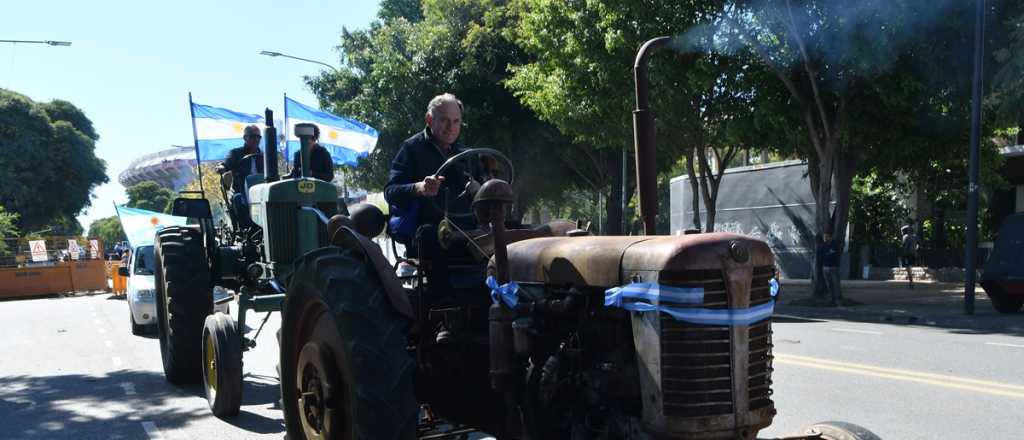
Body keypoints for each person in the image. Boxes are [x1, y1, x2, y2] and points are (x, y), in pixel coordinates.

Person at [384, 93, 483, 253]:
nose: (451, 127)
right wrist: (420, 188)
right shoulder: (411, 149)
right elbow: (390, 192)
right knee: (431, 237)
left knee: (508, 234)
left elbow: (486, 197)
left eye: (456, 121)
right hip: (429, 231)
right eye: (444, 120)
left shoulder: (468, 155)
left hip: (469, 228)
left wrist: (480, 190)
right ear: (429, 120)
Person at [216, 125, 264, 194]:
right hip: (241, 192)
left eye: (258, 137)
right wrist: (222, 167)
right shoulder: (236, 153)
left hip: (260, 192)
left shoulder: (264, 157)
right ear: (245, 138)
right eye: (252, 136)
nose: (256, 139)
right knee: (238, 199)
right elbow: (226, 164)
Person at [818, 230, 842, 306]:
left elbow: (835, 254)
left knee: (836, 283)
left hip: (834, 267)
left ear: (830, 237)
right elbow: (821, 256)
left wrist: (827, 255)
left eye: (826, 236)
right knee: (829, 284)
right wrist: (829, 254)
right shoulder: (823, 245)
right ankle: (831, 298)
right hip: (825, 268)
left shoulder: (834, 244)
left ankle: (838, 298)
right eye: (824, 237)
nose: (825, 238)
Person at [900, 224, 918, 289]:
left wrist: (903, 254)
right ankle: (911, 282)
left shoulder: (905, 237)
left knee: (908, 268)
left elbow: (905, 246)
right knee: (910, 267)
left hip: (907, 254)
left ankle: (911, 282)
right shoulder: (914, 237)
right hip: (913, 254)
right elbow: (917, 245)